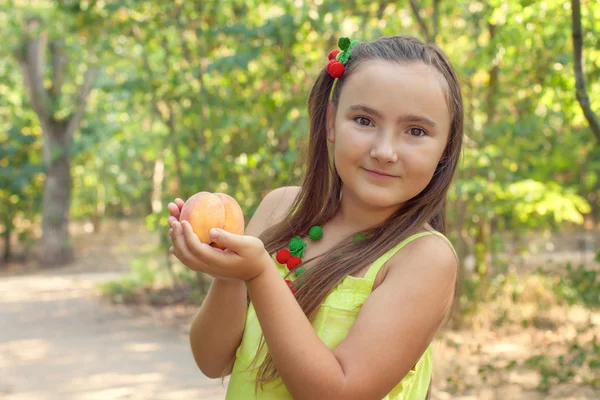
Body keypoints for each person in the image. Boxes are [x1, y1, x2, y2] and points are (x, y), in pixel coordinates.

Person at [167, 35, 463, 399]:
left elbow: (339, 393)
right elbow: (212, 361)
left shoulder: (424, 258)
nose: (385, 151)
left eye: (415, 131)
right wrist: (229, 275)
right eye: (364, 120)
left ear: (445, 147)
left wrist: (259, 273)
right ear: (331, 123)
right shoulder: (281, 209)